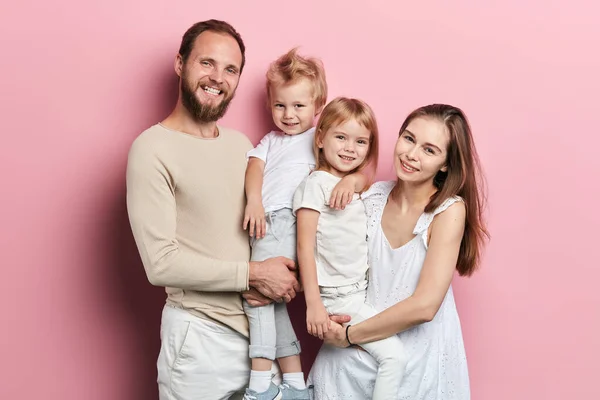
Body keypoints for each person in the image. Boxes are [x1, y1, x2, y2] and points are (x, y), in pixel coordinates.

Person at [126, 19, 300, 400]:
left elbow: (280, 216)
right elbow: (160, 264)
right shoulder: (152, 148)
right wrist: (256, 274)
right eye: (207, 63)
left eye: (231, 69)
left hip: (262, 342)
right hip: (200, 340)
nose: (218, 77)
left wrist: (288, 272)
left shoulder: (243, 146)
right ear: (180, 64)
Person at [307, 104, 490, 400]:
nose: (411, 154)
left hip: (415, 362)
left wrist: (350, 336)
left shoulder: (449, 211)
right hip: (350, 359)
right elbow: (326, 248)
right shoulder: (372, 195)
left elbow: (425, 306)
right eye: (409, 138)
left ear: (446, 164)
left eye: (429, 150)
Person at [241, 50, 363, 400]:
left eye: (298, 106)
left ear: (317, 105)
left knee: (258, 298)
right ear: (270, 104)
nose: (289, 115)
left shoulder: (319, 140)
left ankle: (260, 383)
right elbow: (254, 168)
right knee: (272, 301)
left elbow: (362, 168)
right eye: (280, 106)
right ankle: (295, 384)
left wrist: (350, 182)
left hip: (289, 223)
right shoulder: (270, 141)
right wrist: (254, 200)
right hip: (267, 222)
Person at [293, 97, 408, 399]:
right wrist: (314, 305)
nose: (349, 148)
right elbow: (304, 247)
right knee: (394, 357)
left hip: (358, 292)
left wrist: (353, 180)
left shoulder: (352, 184)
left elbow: (366, 177)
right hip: (338, 298)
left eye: (360, 142)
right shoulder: (316, 184)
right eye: (340, 137)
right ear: (320, 139)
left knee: (362, 364)